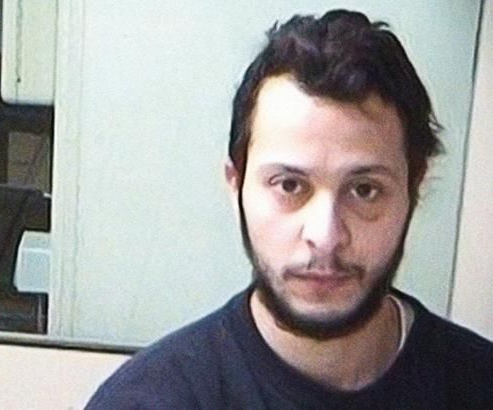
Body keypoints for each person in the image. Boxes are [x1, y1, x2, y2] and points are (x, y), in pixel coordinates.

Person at [87, 9, 493, 409]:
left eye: (365, 190)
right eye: (289, 185)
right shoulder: (146, 400)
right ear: (236, 185)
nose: (325, 236)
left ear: (413, 189)